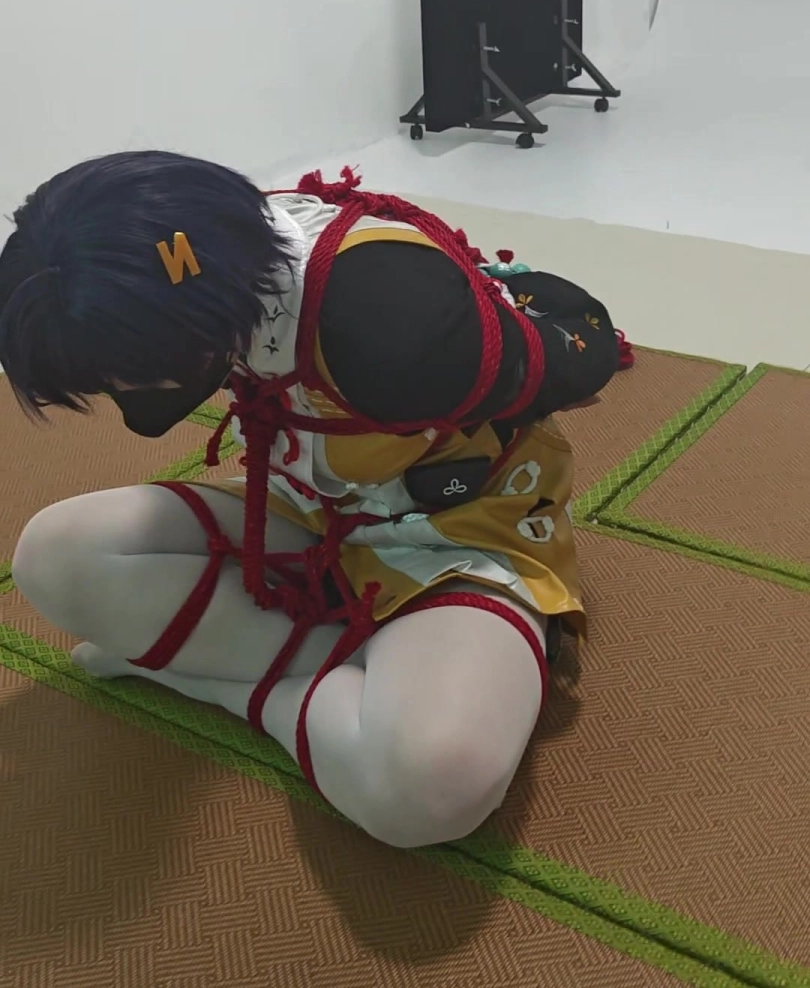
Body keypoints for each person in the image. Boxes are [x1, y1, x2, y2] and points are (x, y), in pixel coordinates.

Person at [0, 151, 625, 849]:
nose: (122, 392)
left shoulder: (392, 322)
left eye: (125, 374)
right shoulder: (214, 261)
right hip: (307, 506)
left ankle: (226, 680)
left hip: (456, 532)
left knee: (431, 788)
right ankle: (364, 679)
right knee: (54, 557)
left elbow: (572, 357)